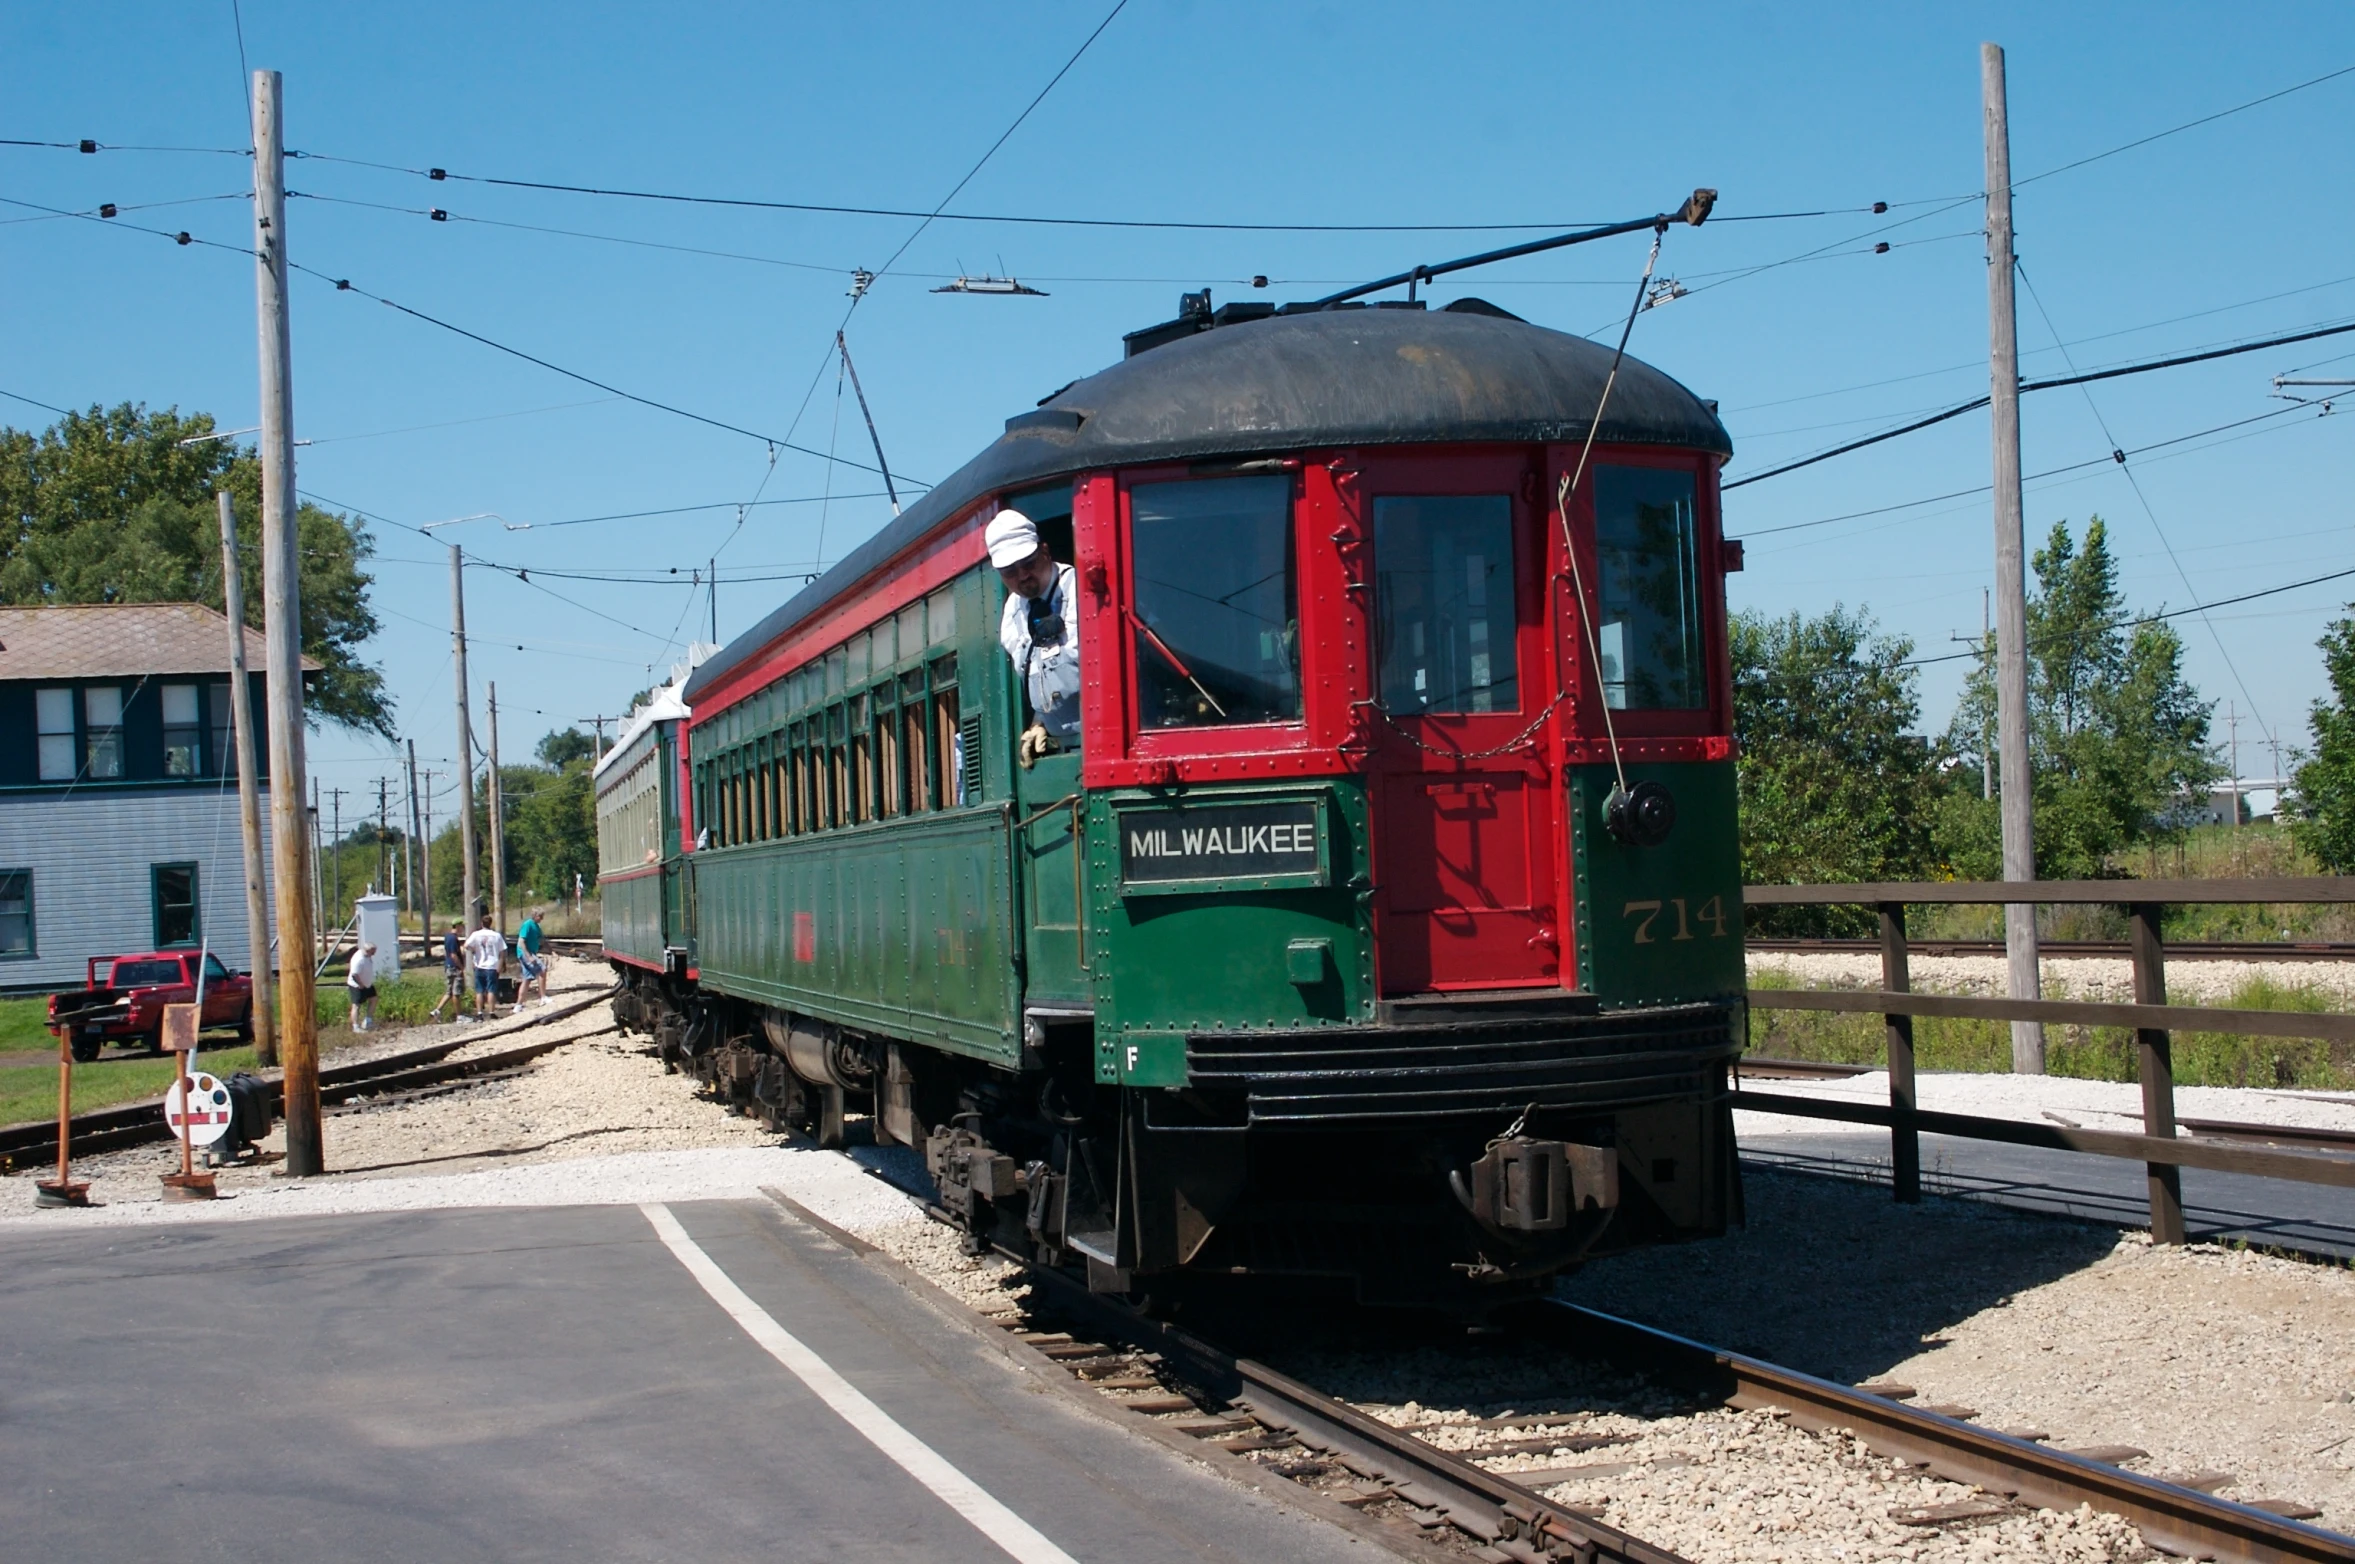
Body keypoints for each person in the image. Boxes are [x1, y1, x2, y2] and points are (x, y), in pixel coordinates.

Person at [987, 508, 1080, 767]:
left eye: (1028, 563)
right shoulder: (1012, 613)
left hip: (1101, 740)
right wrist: (1039, 721)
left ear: (1045, 552)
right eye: (1009, 571)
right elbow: (1037, 673)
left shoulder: (1081, 589)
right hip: (1063, 750)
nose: (1022, 576)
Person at [463, 914, 507, 1020]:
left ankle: (479, 1013)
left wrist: (474, 951)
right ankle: (491, 1011)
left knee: (479, 990)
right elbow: (502, 952)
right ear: (491, 923)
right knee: (491, 990)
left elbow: (466, 945)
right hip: (492, 966)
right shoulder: (496, 936)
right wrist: (500, 965)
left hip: (480, 965)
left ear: (481, 923)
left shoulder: (476, 934)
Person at [429, 920, 465, 1020]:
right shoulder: (453, 938)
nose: (463, 928)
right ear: (457, 926)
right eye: (462, 926)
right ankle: (459, 1016)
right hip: (454, 967)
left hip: (448, 966)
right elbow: (453, 955)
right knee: (456, 993)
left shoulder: (447, 936)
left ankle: (437, 1010)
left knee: (448, 992)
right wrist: (461, 967)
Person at [516, 911, 549, 1006]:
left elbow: (542, 940)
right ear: (535, 915)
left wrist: (552, 951)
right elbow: (521, 942)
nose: (542, 918)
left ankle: (518, 1005)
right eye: (541, 916)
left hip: (528, 953)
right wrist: (529, 956)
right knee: (542, 969)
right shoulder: (527, 925)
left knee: (526, 979)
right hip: (525, 953)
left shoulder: (536, 926)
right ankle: (543, 997)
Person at [345, 943, 379, 1032]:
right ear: (368, 951)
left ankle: (368, 1021)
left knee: (374, 999)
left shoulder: (367, 955)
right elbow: (354, 974)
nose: (374, 954)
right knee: (356, 1005)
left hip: (367, 984)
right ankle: (355, 1027)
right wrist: (360, 985)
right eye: (373, 952)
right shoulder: (359, 959)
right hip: (357, 985)